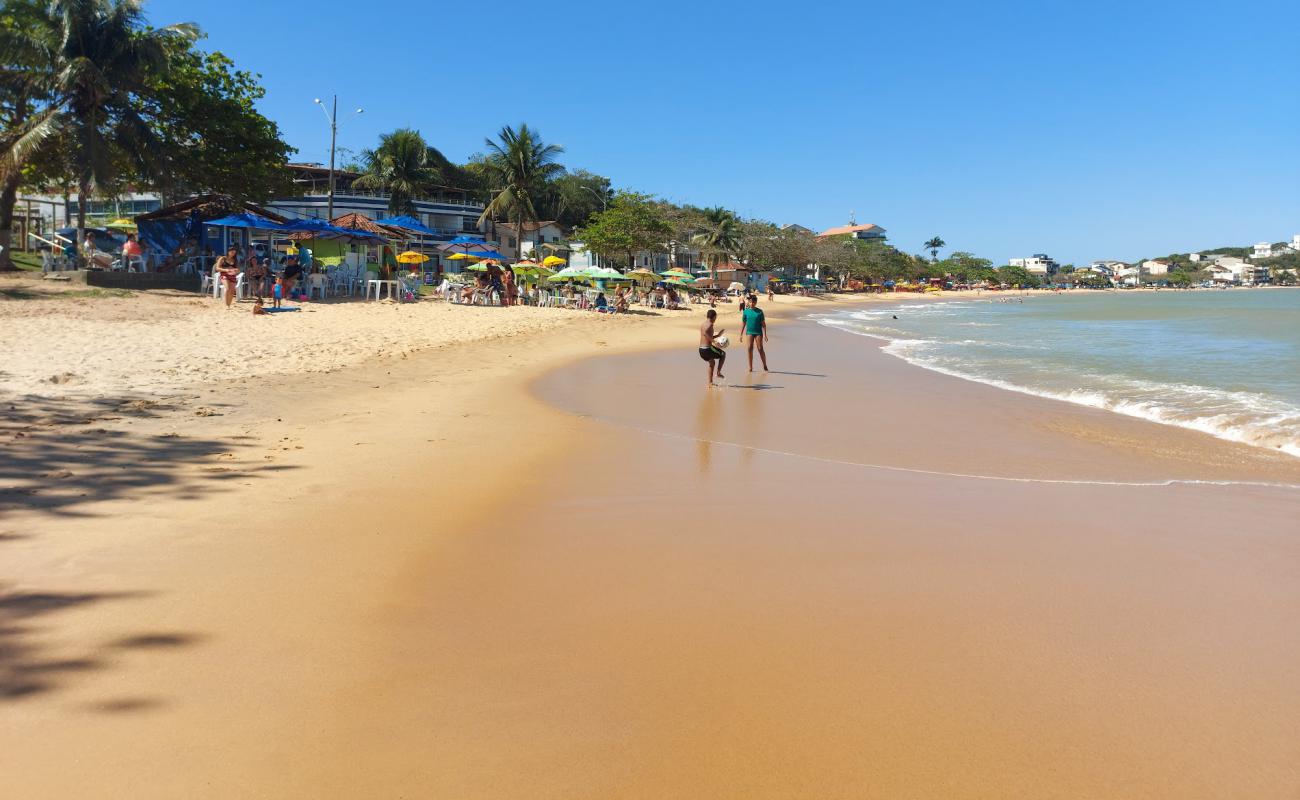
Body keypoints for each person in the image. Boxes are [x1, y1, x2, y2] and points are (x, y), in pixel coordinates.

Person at [699, 309, 727, 387]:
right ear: (714, 317)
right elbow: (705, 333)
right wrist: (714, 341)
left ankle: (710, 383)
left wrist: (717, 336)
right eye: (716, 318)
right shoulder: (710, 324)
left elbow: (706, 334)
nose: (715, 319)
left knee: (712, 363)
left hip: (701, 350)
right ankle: (718, 372)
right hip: (707, 349)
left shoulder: (703, 324)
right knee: (723, 354)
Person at [741, 294, 769, 372]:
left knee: (760, 348)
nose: (752, 303)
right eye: (750, 302)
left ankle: (764, 365)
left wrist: (765, 335)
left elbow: (763, 324)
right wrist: (741, 334)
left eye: (753, 302)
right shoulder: (746, 312)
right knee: (749, 348)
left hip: (758, 332)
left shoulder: (760, 312)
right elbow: (743, 323)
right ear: (749, 302)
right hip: (749, 332)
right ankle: (750, 367)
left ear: (756, 302)